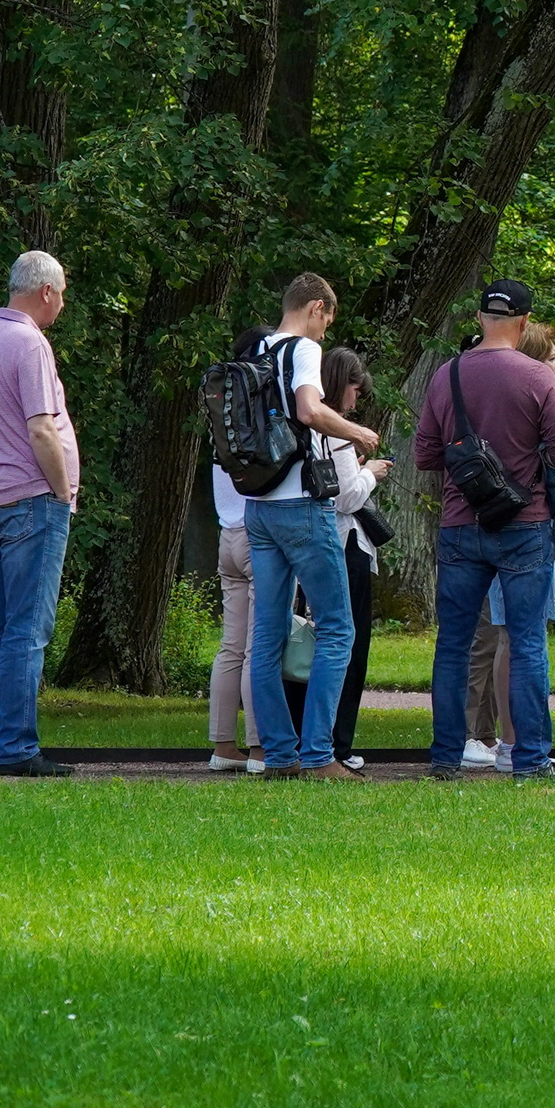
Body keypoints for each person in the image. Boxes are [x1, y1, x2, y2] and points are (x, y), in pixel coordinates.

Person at [415, 278, 555, 781]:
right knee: (527, 641)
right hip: (523, 523)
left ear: (480, 321)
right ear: (525, 322)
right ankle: (529, 761)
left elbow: (424, 454)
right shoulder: (538, 377)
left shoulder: (448, 375)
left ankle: (445, 758)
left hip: (460, 524)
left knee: (454, 644)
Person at [246, 272, 385, 780]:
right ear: (317, 308)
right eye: (328, 320)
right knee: (337, 629)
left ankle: (280, 754)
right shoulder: (300, 349)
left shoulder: (256, 350)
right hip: (301, 506)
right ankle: (320, 755)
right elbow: (309, 411)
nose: (326, 334)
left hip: (257, 507)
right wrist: (356, 430)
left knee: (267, 637)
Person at [0, 250, 77, 778]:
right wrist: (63, 492)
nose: (62, 303)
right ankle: (19, 748)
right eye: (62, 293)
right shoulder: (29, 343)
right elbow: (41, 427)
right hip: (31, 500)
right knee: (27, 629)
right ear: (45, 291)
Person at [282, 348, 388, 770]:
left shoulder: (299, 422)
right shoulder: (338, 430)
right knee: (346, 641)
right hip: (343, 544)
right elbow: (346, 495)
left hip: (305, 540)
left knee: (301, 638)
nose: (356, 400)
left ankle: (297, 739)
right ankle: (336, 743)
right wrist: (371, 473)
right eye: (355, 390)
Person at [206, 323, 274, 774]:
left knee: (231, 647)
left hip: (226, 534)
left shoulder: (223, 410)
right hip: (256, 534)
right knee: (258, 646)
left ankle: (222, 744)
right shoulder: (262, 408)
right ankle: (258, 748)